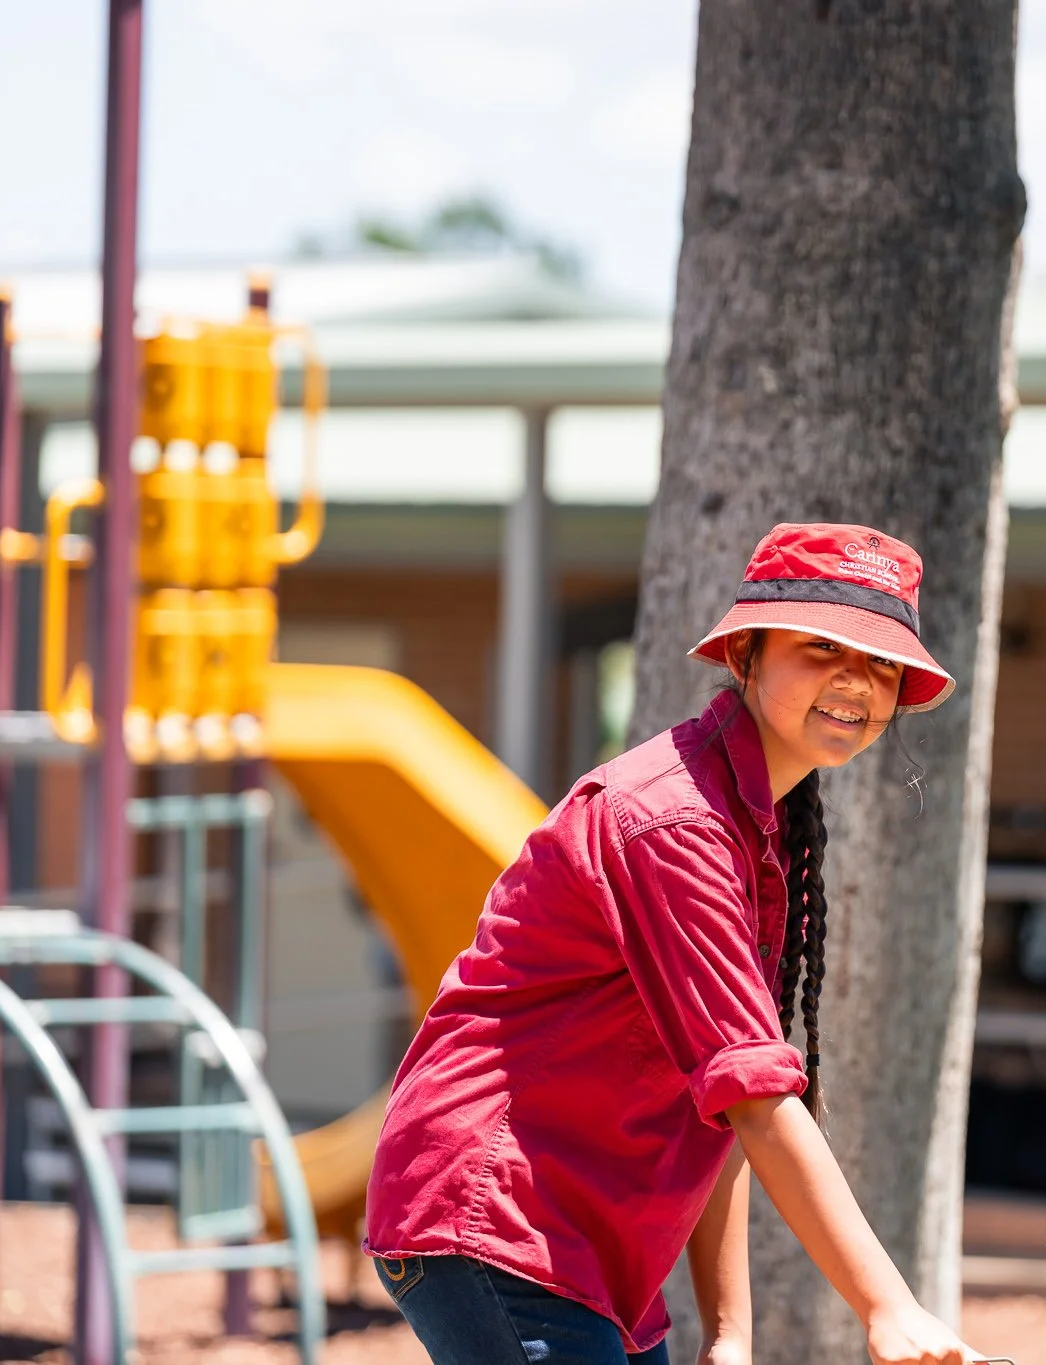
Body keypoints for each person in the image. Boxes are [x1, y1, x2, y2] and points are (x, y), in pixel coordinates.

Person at [366, 522, 990, 1365]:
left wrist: (729, 1328)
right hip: (502, 1212)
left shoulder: (755, 828)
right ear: (747, 653)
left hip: (592, 1241)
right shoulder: (674, 821)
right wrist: (888, 1305)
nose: (857, 679)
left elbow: (719, 1096)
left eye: (883, 661)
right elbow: (756, 1096)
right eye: (820, 645)